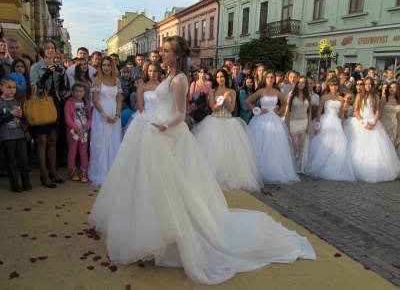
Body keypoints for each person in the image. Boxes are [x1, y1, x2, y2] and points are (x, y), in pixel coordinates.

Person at [88, 36, 315, 285]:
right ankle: (155, 232)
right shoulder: (170, 76)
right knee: (155, 186)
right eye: (162, 51)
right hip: (158, 131)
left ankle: (174, 234)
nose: (161, 55)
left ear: (177, 55)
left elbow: (180, 113)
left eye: (166, 51)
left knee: (173, 187)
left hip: (168, 134)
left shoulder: (180, 79)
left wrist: (162, 126)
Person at [192, 69, 262, 192]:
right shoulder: (212, 91)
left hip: (228, 121)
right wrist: (221, 100)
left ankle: (229, 177)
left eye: (222, 77)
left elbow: (231, 108)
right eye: (218, 77)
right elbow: (213, 108)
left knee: (229, 151)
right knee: (215, 150)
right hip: (215, 120)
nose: (220, 79)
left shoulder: (232, 92)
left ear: (226, 78)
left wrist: (226, 99)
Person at [245, 70, 300, 184]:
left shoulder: (276, 91)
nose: (270, 79)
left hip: (274, 120)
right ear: (265, 79)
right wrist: (257, 110)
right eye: (268, 77)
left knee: (274, 147)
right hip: (261, 120)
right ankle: (259, 171)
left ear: (274, 79)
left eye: (272, 77)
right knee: (260, 145)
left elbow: (285, 103)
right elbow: (247, 101)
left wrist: (279, 111)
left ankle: (272, 171)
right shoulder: (261, 91)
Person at [345, 77, 400, 182]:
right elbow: (356, 111)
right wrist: (363, 122)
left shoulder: (375, 96)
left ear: (372, 85)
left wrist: (374, 122)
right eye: (366, 84)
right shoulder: (359, 95)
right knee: (358, 147)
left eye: (369, 84)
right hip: (361, 122)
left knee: (375, 148)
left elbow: (378, 111)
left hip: (373, 122)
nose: (368, 86)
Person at [30, 40, 67, 188]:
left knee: (53, 140)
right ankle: (44, 174)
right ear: (42, 51)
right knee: (42, 141)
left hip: (55, 104)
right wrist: (47, 73)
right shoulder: (36, 67)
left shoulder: (59, 67)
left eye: (52, 48)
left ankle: (53, 171)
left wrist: (62, 76)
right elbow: (36, 88)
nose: (50, 50)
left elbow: (62, 90)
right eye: (47, 48)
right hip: (41, 104)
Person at [305, 77, 355, 181]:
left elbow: (341, 113)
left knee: (337, 145)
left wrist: (342, 125)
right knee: (323, 144)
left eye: (336, 85)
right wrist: (318, 124)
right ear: (329, 86)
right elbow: (319, 111)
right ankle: (321, 165)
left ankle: (332, 167)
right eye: (332, 85)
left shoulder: (341, 98)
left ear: (338, 86)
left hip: (336, 122)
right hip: (326, 121)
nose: (334, 87)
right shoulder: (324, 97)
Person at [88, 56, 122, 186]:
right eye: (104, 65)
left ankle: (113, 172)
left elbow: (119, 99)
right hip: (101, 114)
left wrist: (117, 115)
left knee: (113, 141)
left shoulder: (117, 82)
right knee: (101, 143)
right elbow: (95, 101)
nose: (106, 67)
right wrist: (105, 116)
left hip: (114, 113)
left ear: (112, 67)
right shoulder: (97, 81)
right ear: (100, 67)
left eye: (109, 65)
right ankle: (101, 172)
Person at [0, 76, 31, 192]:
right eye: (8, 87)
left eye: (14, 87)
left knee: (23, 158)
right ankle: (14, 184)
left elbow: (24, 118)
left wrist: (23, 120)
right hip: (7, 136)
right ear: (1, 88)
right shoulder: (0, 102)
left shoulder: (18, 100)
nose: (12, 90)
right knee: (10, 159)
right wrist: (10, 114)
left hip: (20, 134)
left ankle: (25, 181)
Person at [64, 82, 92, 182]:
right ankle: (72, 170)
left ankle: (84, 170)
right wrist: (77, 129)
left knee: (84, 152)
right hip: (73, 132)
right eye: (76, 91)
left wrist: (84, 129)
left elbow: (90, 119)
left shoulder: (87, 104)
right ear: (72, 91)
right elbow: (68, 118)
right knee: (72, 151)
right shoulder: (69, 103)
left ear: (84, 92)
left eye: (80, 91)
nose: (78, 93)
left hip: (84, 132)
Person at [284, 76, 312, 174]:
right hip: (293, 122)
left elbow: (309, 112)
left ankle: (296, 167)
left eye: (303, 82)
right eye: (299, 82)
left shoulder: (308, 96)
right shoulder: (291, 95)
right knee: (294, 145)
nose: (301, 84)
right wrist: (287, 123)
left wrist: (309, 126)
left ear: (305, 84)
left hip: (304, 122)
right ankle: (289, 165)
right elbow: (287, 110)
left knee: (300, 146)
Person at [380, 81, 400, 160]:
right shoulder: (384, 99)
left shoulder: (398, 101)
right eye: (390, 87)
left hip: (394, 126)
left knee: (391, 146)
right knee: (383, 145)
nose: (392, 89)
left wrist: (398, 127)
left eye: (394, 87)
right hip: (384, 125)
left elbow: (398, 116)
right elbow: (379, 112)